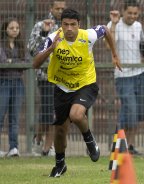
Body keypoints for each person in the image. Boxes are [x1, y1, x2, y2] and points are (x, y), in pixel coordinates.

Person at [33, 8, 121, 177]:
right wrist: (51, 49)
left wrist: (114, 54)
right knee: (60, 131)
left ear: (79, 25)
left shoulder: (88, 36)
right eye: (66, 25)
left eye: (73, 25)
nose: (69, 29)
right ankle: (60, 164)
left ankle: (89, 140)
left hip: (85, 84)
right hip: (62, 87)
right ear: (61, 25)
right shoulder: (53, 38)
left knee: (77, 115)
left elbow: (106, 29)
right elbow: (35, 63)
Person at [106, 0, 144, 155]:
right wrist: (114, 24)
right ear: (123, 11)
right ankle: (118, 145)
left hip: (140, 74)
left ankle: (129, 146)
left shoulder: (138, 26)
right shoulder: (113, 25)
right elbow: (108, 46)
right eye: (129, 13)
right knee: (129, 111)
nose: (132, 16)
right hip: (123, 76)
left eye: (135, 13)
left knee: (138, 114)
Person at [28, 0, 66, 157]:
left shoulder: (68, 26)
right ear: (51, 8)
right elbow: (31, 49)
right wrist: (45, 33)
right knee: (46, 113)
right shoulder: (40, 25)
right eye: (57, 8)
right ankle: (37, 138)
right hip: (45, 76)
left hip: (63, 77)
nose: (60, 11)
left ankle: (48, 147)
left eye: (63, 8)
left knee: (57, 113)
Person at [0, 18, 26, 157]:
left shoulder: (20, 45)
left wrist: (12, 62)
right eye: (12, 28)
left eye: (17, 27)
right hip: (3, 83)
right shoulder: (1, 45)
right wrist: (16, 63)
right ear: (5, 29)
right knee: (0, 116)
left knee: (14, 118)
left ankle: (13, 148)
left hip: (18, 83)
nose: (15, 30)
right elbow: (3, 62)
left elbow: (26, 61)